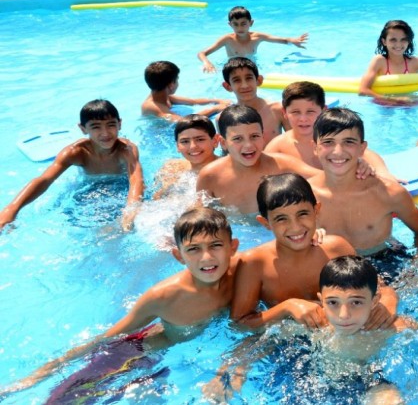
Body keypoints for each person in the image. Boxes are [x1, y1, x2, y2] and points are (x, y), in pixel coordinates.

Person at [0, 207, 240, 399]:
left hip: (175, 357)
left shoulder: (243, 277)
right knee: (66, 398)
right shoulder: (164, 296)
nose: (206, 257)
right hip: (139, 352)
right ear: (179, 256)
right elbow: (107, 338)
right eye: (194, 249)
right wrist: (46, 371)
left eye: (215, 245)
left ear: (233, 247)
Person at [205, 256, 418, 404]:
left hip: (367, 381)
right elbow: (259, 340)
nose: (344, 315)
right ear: (320, 300)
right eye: (333, 303)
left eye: (356, 302)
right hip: (309, 379)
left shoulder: (390, 327)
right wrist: (226, 374)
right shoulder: (315, 323)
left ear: (374, 301)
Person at [231, 173, 398, 331]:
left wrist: (388, 301)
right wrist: (287, 307)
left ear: (316, 210)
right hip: (286, 338)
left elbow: (379, 287)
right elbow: (240, 323)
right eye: (281, 219)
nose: (295, 227)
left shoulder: (336, 248)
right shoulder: (255, 263)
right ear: (265, 223)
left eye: (302, 214)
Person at [308, 107, 418, 282]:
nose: (338, 151)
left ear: (362, 148)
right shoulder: (304, 196)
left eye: (349, 142)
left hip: (385, 260)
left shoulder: (389, 192)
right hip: (330, 265)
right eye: (328, 142)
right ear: (315, 148)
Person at [0, 99, 144, 232]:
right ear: (83, 129)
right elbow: (44, 180)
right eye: (96, 127)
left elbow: (136, 181)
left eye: (111, 125)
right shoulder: (76, 152)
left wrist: (131, 210)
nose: (105, 133)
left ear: (120, 124)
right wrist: (12, 208)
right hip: (89, 187)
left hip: (122, 186)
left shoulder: (126, 150)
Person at [196, 105, 321, 215]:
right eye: (238, 139)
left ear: (263, 136)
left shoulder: (281, 165)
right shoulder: (210, 176)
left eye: (254, 136)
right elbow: (198, 213)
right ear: (223, 143)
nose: (248, 145)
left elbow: (325, 180)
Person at [265, 81, 392, 175]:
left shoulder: (333, 135)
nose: (303, 119)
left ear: (324, 110)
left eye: (310, 112)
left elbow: (366, 153)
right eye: (295, 112)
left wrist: (382, 173)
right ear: (284, 113)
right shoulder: (278, 146)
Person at [358, 20, 418, 105]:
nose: (398, 44)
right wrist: (394, 99)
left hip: (410, 103)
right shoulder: (379, 61)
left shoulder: (415, 62)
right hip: (384, 103)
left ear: (409, 41)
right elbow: (363, 90)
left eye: (403, 39)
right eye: (393, 40)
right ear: (384, 41)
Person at [198, 5, 308, 73]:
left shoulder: (257, 37)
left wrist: (292, 41)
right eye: (235, 24)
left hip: (253, 66)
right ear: (230, 25)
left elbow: (279, 40)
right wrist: (207, 62)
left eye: (243, 24)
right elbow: (202, 53)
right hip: (233, 68)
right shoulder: (227, 39)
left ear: (251, 23)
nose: (239, 28)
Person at [221, 57, 288, 145]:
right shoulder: (224, 118)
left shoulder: (278, 110)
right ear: (228, 86)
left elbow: (295, 141)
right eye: (237, 80)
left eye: (249, 78)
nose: (244, 85)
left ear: (259, 80)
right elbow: (226, 150)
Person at [153, 114, 219, 199]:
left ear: (215, 141)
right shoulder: (172, 168)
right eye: (185, 141)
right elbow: (156, 200)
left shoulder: (227, 171)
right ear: (177, 146)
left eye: (200, 139)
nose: (193, 146)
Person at [140, 60, 230, 121]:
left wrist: (217, 101)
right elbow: (184, 122)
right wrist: (215, 109)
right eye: (177, 79)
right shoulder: (152, 107)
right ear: (171, 85)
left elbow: (193, 101)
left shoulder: (162, 95)